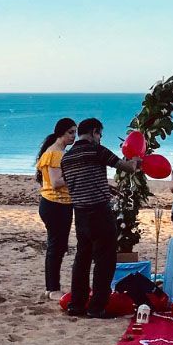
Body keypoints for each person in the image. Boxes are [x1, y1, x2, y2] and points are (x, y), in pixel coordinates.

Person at [62, 117, 140, 318]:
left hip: (79, 212)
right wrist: (137, 160)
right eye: (100, 135)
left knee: (82, 259)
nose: (100, 139)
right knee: (105, 260)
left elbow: (82, 181)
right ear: (94, 131)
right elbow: (126, 167)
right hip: (99, 212)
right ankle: (97, 307)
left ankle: (77, 305)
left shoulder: (66, 158)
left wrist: (105, 188)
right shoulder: (97, 150)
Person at [34, 118, 77, 300]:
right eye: (70, 132)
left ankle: (51, 287)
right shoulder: (55, 154)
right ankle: (52, 288)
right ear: (61, 133)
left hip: (60, 205)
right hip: (54, 205)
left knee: (58, 246)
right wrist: (76, 177)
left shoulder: (59, 152)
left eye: (75, 132)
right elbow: (56, 182)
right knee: (56, 247)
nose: (73, 136)